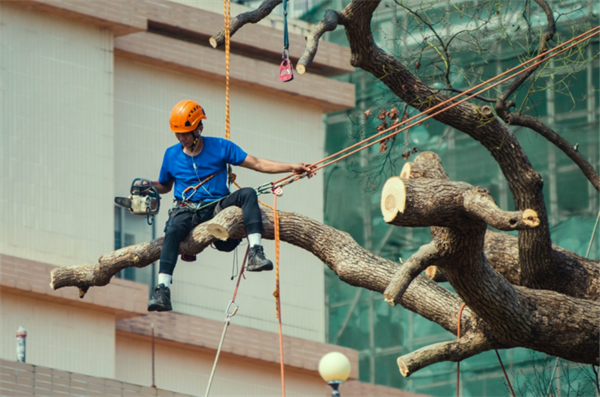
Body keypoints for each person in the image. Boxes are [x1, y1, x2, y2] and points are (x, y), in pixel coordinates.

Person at [147, 100, 313, 312]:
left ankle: (256, 252)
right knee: (173, 231)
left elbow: (258, 163)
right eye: (177, 133)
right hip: (187, 209)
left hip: (217, 206)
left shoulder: (220, 147)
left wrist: (292, 167)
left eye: (186, 133)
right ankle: (162, 290)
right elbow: (165, 185)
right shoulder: (171, 154)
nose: (181, 138)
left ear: (199, 128)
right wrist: (148, 185)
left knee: (247, 193)